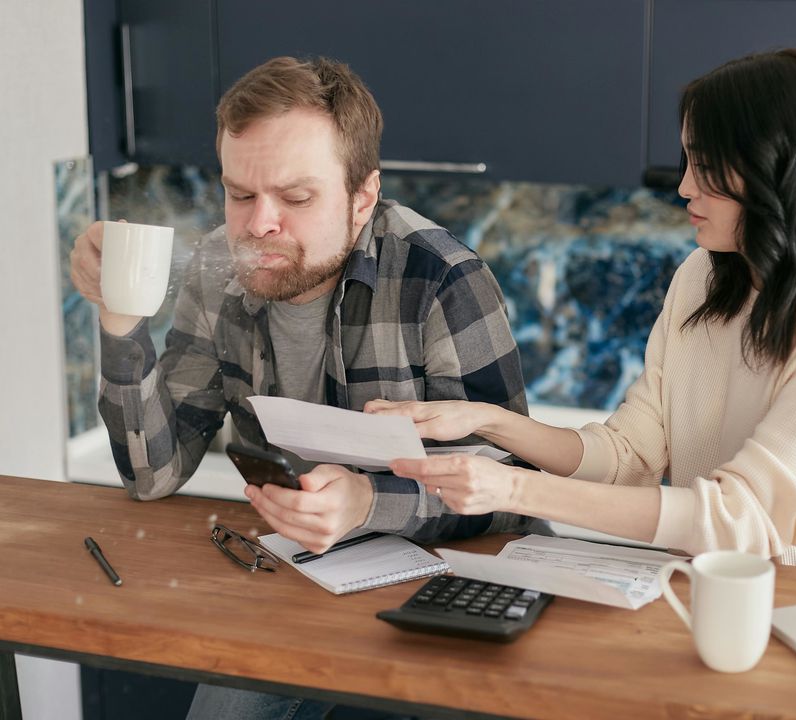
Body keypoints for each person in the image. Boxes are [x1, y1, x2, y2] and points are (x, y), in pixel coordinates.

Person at [70, 56, 530, 719]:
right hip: (292, 579)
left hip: (444, 585)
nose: (259, 225)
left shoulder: (442, 279)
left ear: (363, 198)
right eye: (240, 193)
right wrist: (120, 314)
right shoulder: (215, 273)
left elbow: (513, 485)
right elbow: (152, 474)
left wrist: (368, 501)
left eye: (296, 198)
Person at [370, 48, 796, 577]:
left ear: (776, 170)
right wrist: (486, 421)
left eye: (705, 166)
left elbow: (743, 517)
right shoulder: (703, 277)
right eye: (686, 161)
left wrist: (514, 489)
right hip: (702, 588)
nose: (684, 186)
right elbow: (629, 453)